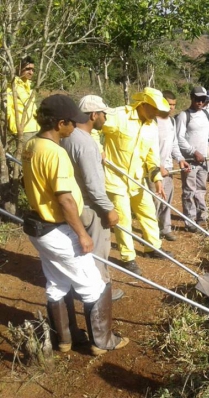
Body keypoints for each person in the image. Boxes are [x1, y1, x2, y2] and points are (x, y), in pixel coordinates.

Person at [21, 94, 128, 356]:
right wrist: (82, 234)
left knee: (57, 282)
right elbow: (66, 199)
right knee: (94, 284)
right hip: (57, 228)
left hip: (40, 227)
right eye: (71, 123)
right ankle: (103, 341)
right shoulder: (55, 153)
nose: (75, 127)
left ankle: (66, 339)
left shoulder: (31, 145)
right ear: (60, 123)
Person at [101, 87, 172, 275]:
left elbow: (152, 156)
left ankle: (153, 248)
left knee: (148, 212)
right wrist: (95, 147)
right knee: (123, 219)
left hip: (137, 179)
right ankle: (128, 257)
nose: (157, 113)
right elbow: (92, 125)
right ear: (144, 104)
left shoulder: (151, 125)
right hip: (115, 179)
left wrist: (156, 178)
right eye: (154, 109)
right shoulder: (119, 116)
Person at [60, 95, 123, 301]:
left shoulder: (66, 136)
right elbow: (94, 186)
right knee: (97, 251)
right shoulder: (86, 143)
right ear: (94, 115)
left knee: (79, 250)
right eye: (103, 114)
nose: (105, 118)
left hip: (73, 204)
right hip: (90, 205)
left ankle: (81, 287)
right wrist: (108, 209)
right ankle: (100, 292)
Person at [176, 86, 209, 232]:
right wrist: (193, 152)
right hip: (189, 161)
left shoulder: (206, 115)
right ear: (191, 97)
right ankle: (190, 221)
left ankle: (202, 216)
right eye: (197, 99)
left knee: (201, 189)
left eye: (202, 99)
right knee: (189, 191)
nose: (199, 102)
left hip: (203, 161)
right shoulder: (183, 116)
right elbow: (178, 139)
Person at [149, 90, 190, 241]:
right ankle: (151, 235)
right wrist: (159, 166)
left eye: (174, 105)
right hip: (153, 168)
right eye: (169, 104)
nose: (172, 108)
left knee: (167, 200)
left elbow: (174, 144)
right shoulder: (151, 121)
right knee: (154, 201)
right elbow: (146, 147)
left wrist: (180, 158)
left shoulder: (171, 121)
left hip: (169, 168)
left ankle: (165, 229)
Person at [6, 56, 39, 142]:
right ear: (18, 68)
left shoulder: (28, 85)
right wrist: (14, 129)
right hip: (23, 130)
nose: (31, 72)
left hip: (36, 127)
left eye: (33, 70)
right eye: (28, 69)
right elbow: (8, 110)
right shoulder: (11, 87)